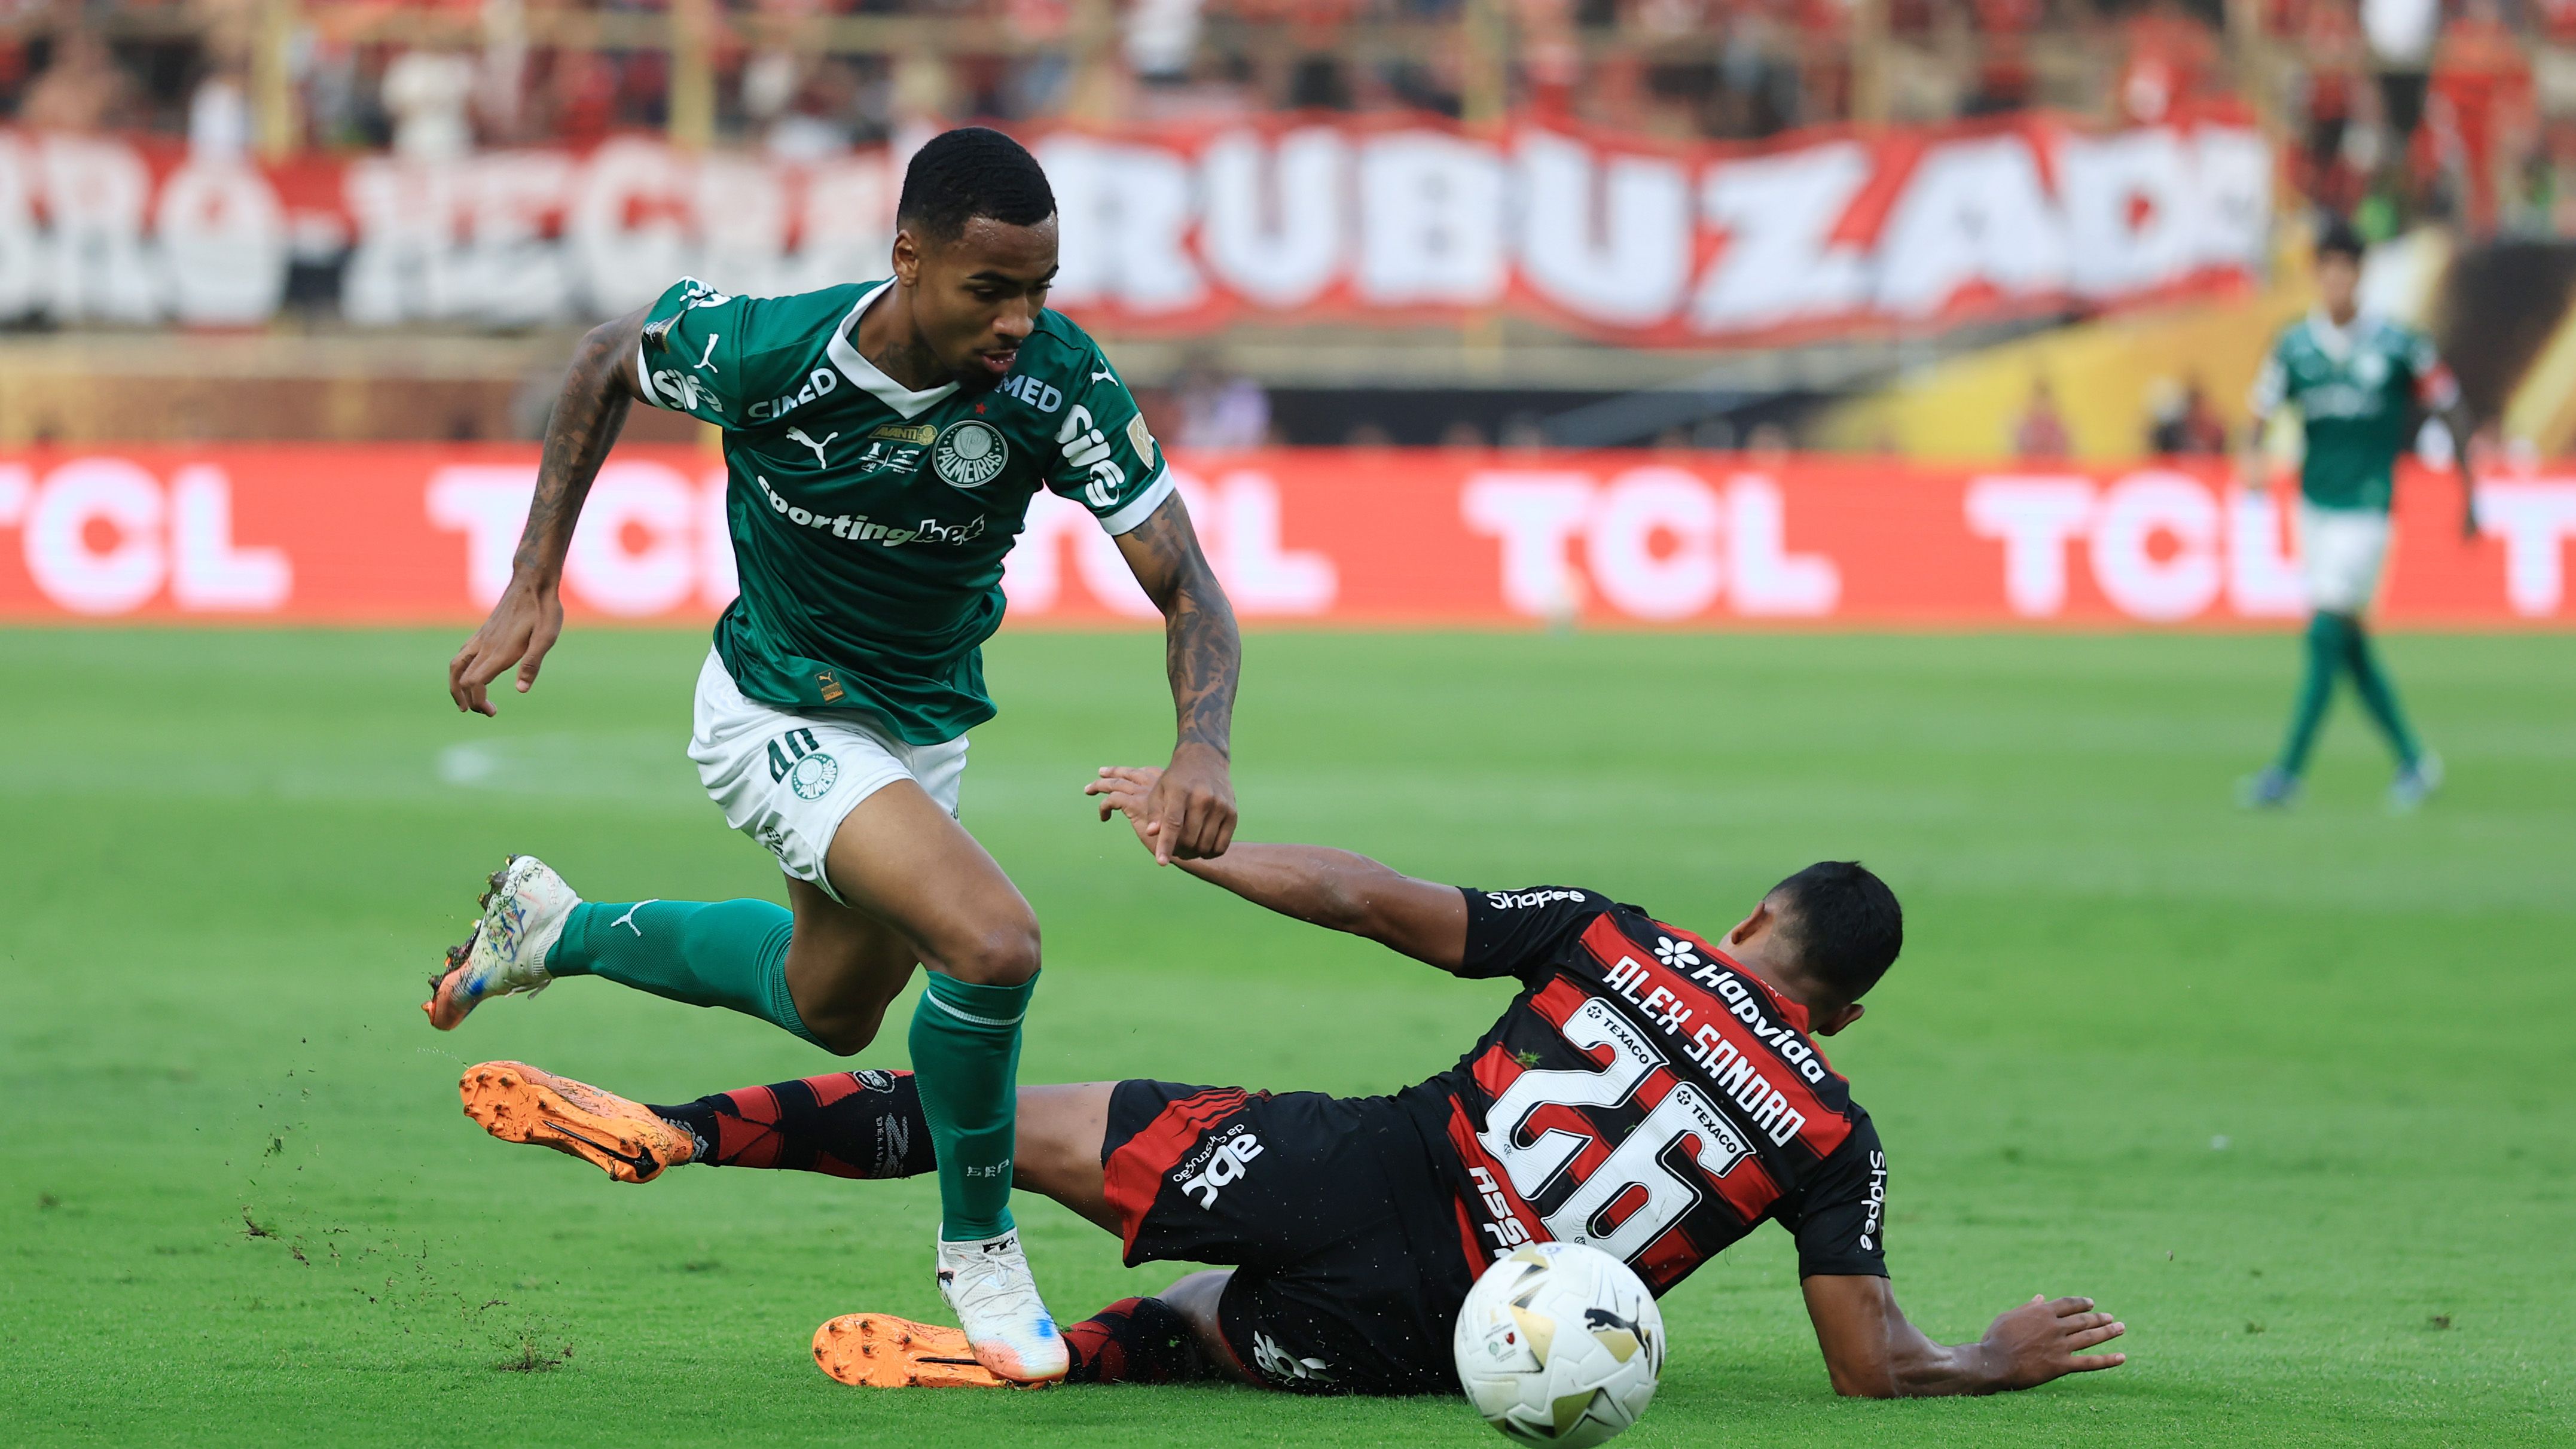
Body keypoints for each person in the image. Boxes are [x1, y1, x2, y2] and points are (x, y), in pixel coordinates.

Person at [450, 764, 2129, 1400]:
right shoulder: (1834, 1130)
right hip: (1452, 1336)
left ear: (1757, 922)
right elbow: (1866, 1358)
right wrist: (1986, 1357)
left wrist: (1213, 848)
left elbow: (1374, 896)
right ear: (1844, 1007)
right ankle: (1057, 1362)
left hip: (1352, 1162)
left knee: (993, 1119)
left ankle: (678, 1126)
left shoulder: (1626, 940)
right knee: (1201, 1325)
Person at [427, 128, 1243, 1384]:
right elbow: (605, 361)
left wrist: (1203, 746)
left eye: (1041, 287)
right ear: (908, 258)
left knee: (833, 1001)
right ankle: (981, 1246)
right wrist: (534, 581)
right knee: (993, 940)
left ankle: (557, 926)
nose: (1021, 318)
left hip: (917, 730)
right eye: (991, 289)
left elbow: (1187, 580)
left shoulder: (1061, 385)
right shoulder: (770, 350)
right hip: (776, 712)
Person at [2238, 219, 2476, 813]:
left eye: (2348, 266)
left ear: (2361, 274)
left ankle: (2287, 772)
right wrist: (2252, 459)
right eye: (2329, 266)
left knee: (2324, 631)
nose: (2338, 277)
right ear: (2318, 273)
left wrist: (2471, 489)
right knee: (2348, 644)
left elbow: (2450, 407)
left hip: (2368, 509)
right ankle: (2415, 762)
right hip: (2314, 507)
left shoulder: (2398, 343)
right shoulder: (2294, 345)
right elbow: (2259, 413)